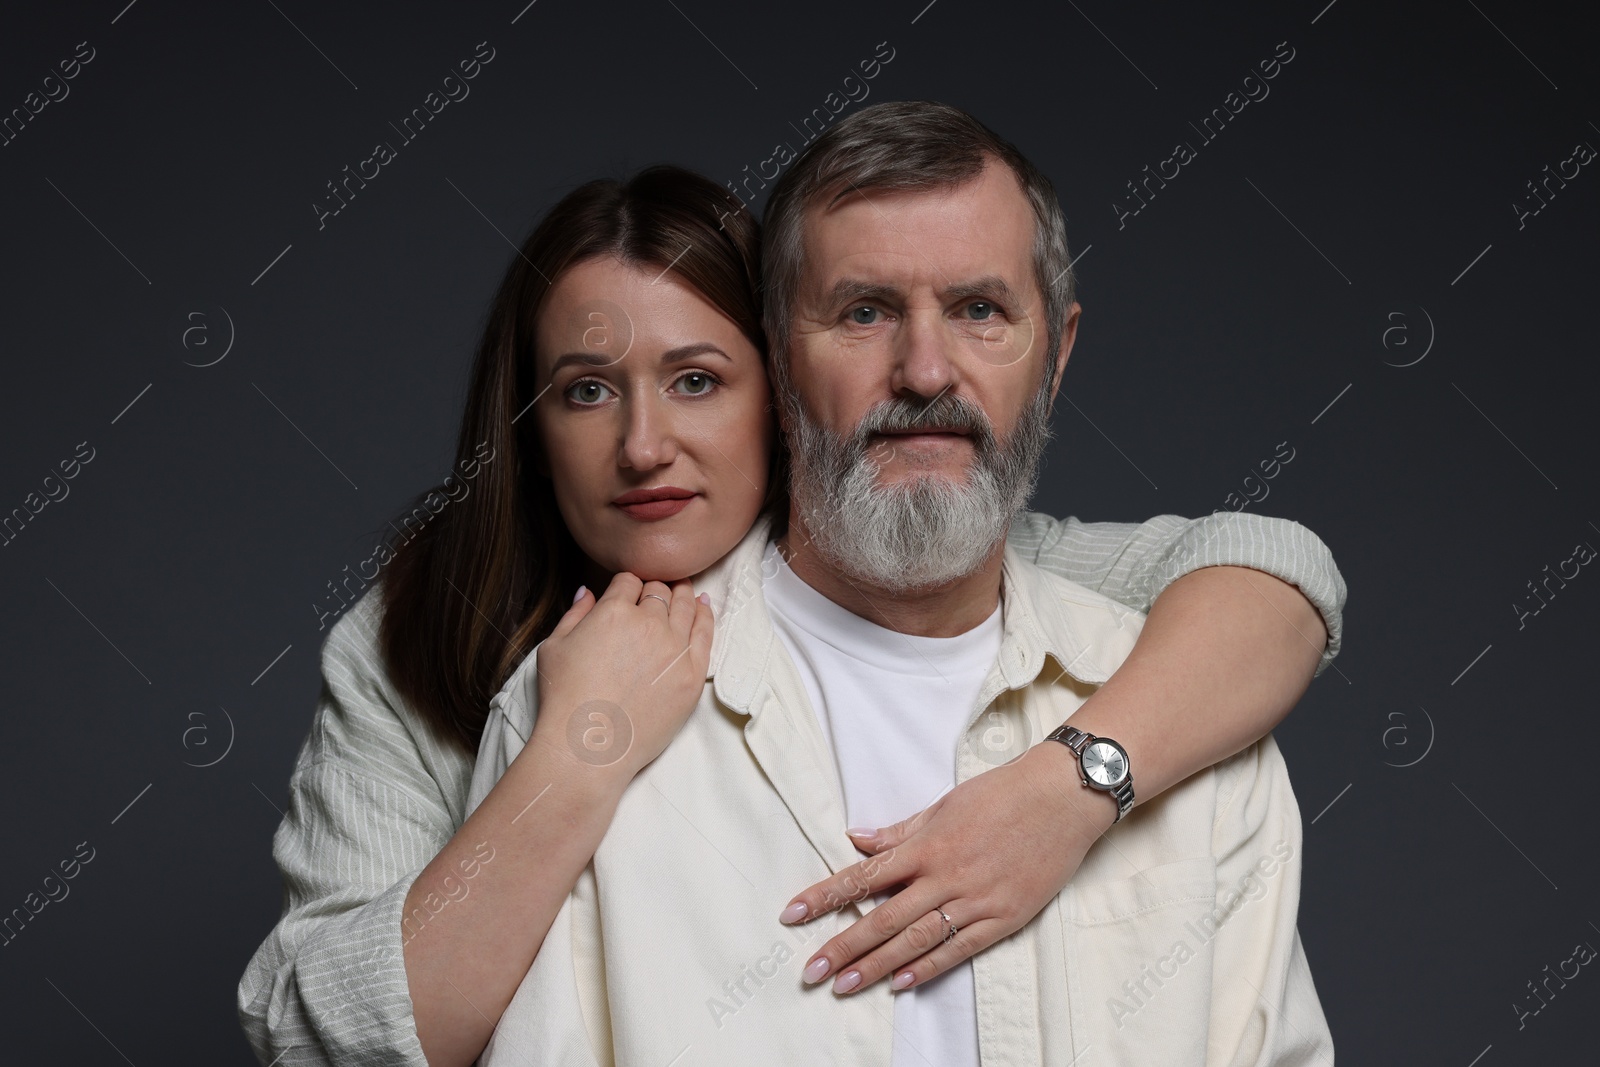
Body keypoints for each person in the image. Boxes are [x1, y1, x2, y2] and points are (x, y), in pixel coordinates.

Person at [238, 149, 1344, 1065]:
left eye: (697, 378)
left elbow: (1273, 568)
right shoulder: (426, 644)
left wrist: (1066, 787)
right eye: (584, 388)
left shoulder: (993, 566)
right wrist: (578, 754)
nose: (643, 445)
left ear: (778, 388)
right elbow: (320, 1037)